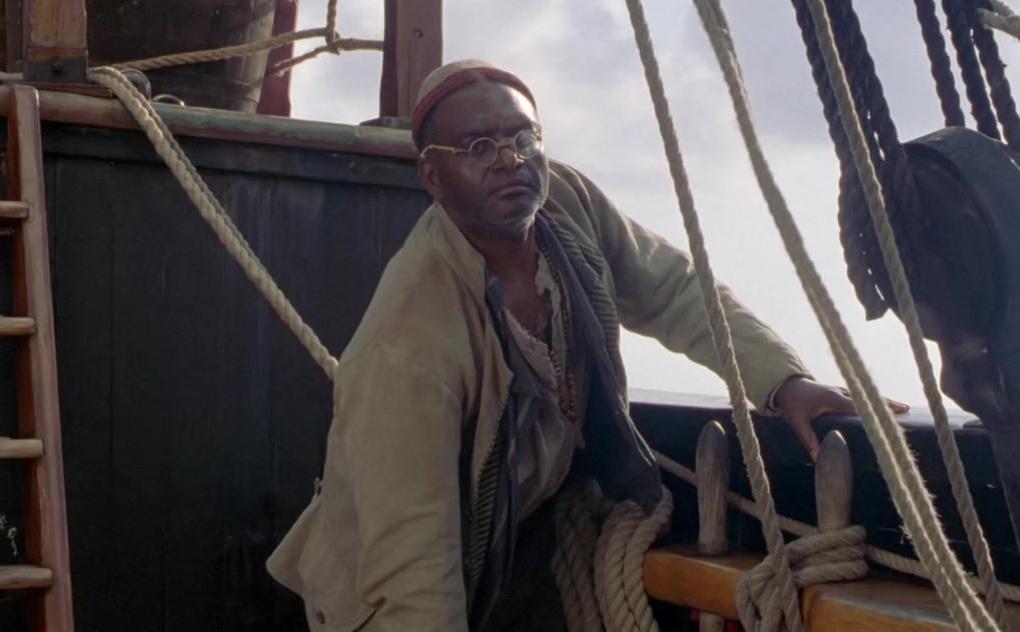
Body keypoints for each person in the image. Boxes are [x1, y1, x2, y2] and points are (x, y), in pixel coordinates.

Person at [267, 59, 906, 631]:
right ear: (433, 175)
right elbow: (412, 572)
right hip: (401, 584)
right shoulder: (408, 346)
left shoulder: (564, 204)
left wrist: (783, 381)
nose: (510, 161)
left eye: (525, 139)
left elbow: (673, 289)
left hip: (529, 535)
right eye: (479, 147)